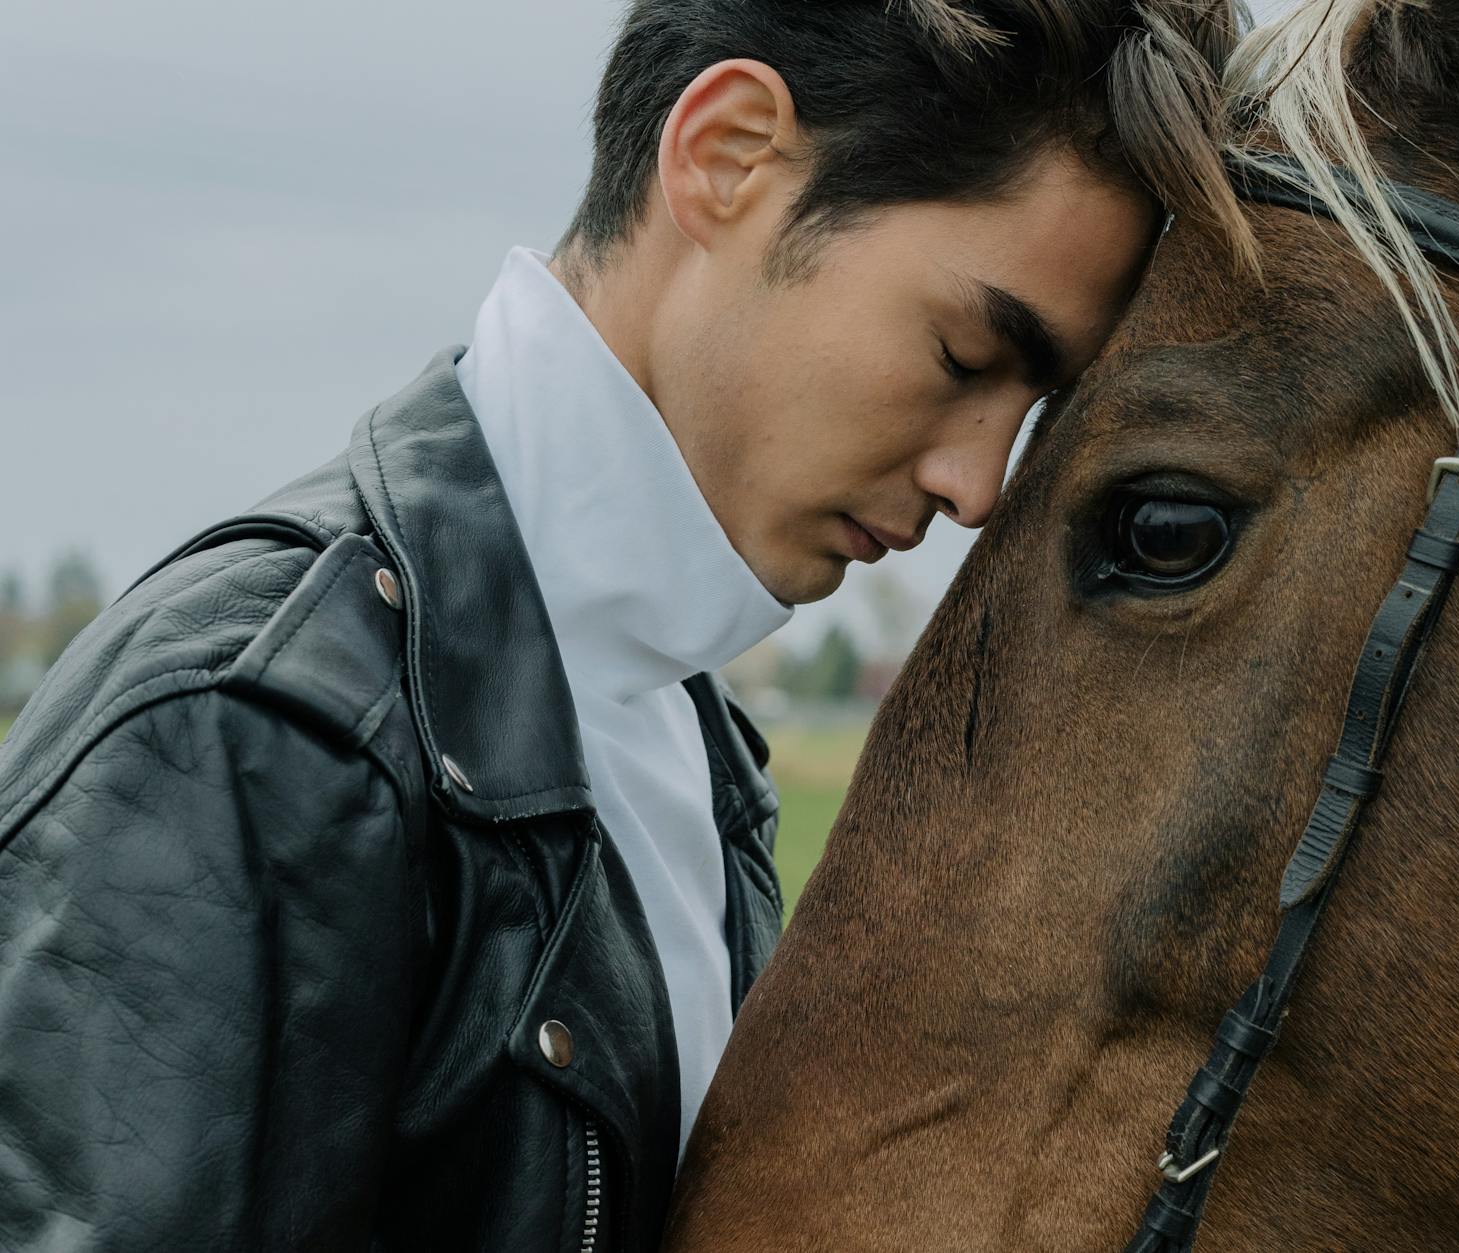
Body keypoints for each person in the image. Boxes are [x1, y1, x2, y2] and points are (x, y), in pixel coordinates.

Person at [0, 1, 1250, 1248]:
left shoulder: (685, 741)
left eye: (1034, 410)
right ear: (728, 155)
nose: (976, 488)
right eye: (966, 353)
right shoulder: (255, 728)